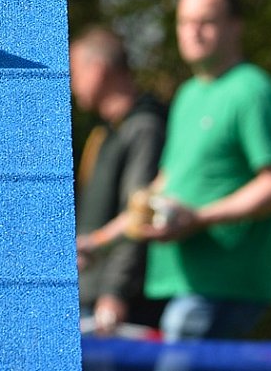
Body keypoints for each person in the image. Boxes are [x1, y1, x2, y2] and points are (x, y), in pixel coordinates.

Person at [135, 0, 271, 341]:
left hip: (224, 288)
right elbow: (164, 184)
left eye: (206, 21)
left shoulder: (252, 90)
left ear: (235, 27)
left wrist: (200, 218)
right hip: (182, 283)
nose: (193, 32)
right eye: (184, 22)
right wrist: (100, 242)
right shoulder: (187, 95)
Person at [70, 26, 168, 334]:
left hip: (116, 308)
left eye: (75, 72)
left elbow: (139, 213)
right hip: (90, 294)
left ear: (98, 69)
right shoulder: (105, 133)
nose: (72, 83)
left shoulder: (143, 129)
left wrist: (116, 291)